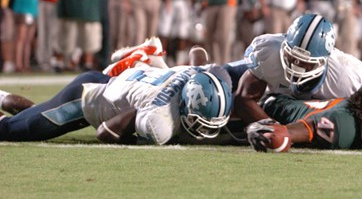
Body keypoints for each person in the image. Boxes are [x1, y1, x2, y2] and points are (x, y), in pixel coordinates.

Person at [0, 62, 232, 145]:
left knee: (34, 114)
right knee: (13, 129)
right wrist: (132, 139)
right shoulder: (159, 120)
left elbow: (201, 57)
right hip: (86, 98)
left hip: (110, 80)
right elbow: (106, 132)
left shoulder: (197, 74)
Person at [234, 13, 362, 125]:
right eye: (292, 57)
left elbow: (361, 110)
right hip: (274, 99)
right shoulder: (269, 53)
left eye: (305, 63)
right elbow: (243, 99)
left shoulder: (344, 74)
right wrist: (272, 128)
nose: (296, 65)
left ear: (323, 62)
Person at [246, 82, 362, 151]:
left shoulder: (361, 102)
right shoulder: (345, 128)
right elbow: (304, 129)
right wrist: (281, 133)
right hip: (266, 104)